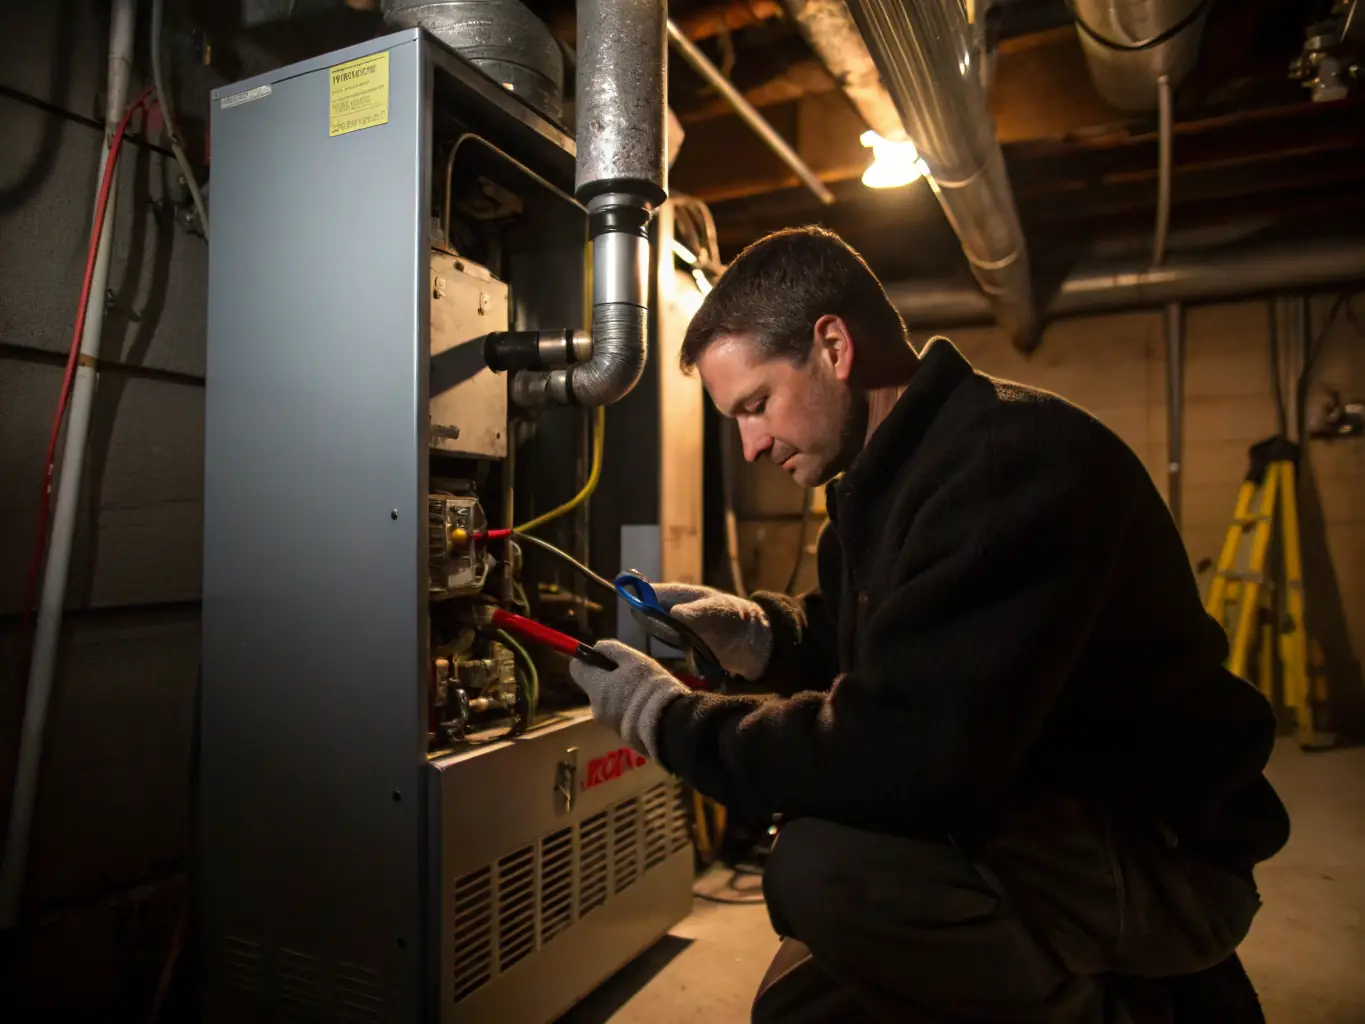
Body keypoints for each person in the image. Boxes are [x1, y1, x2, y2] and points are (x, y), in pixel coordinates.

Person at [568, 226, 1290, 1023]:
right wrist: (761, 635)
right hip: (1044, 812)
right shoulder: (888, 479)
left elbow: (900, 754)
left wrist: (668, 721)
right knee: (798, 1010)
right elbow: (876, 647)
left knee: (822, 869)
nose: (749, 446)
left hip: (1157, 856)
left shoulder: (1005, 466)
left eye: (755, 405)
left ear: (833, 347)